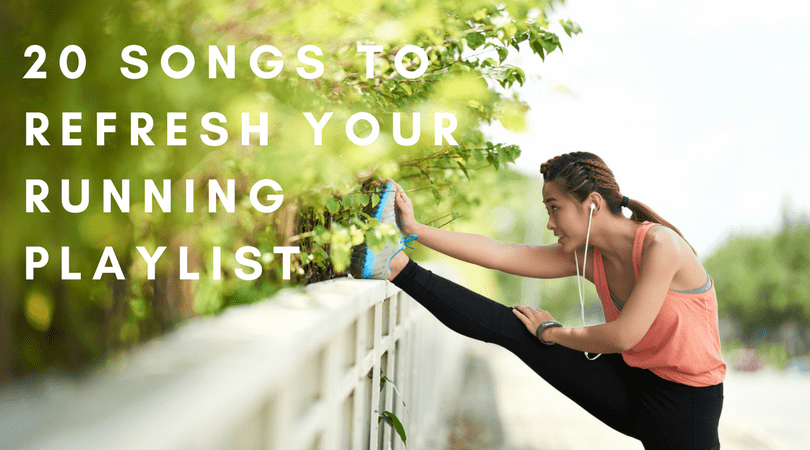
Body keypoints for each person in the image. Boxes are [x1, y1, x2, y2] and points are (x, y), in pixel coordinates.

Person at [351, 152, 726, 450]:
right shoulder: (588, 255)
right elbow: (500, 252)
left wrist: (553, 333)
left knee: (535, 331)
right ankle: (397, 266)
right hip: (632, 383)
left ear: (592, 204)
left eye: (554, 208)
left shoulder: (662, 246)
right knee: (515, 329)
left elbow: (624, 336)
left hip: (686, 407)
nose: (550, 223)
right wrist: (415, 229)